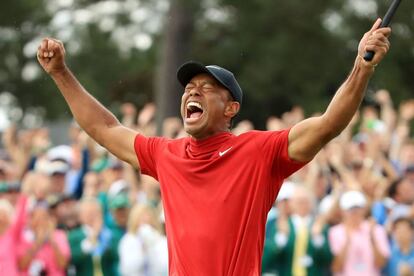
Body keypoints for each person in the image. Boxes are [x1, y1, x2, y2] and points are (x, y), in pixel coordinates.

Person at [37, 18, 391, 275]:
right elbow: (103, 127)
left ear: (231, 108)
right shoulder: (166, 154)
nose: (192, 91)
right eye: (189, 86)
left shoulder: (259, 152)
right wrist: (60, 73)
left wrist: (362, 67)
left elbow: (329, 124)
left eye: (206, 87)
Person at [328, 190, 390, 276]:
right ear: (342, 211)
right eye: (350, 209)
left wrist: (372, 238)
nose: (354, 213)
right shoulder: (335, 232)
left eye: (357, 209)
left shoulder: (376, 229)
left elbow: (381, 264)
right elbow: (336, 267)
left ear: (364, 209)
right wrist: (347, 242)